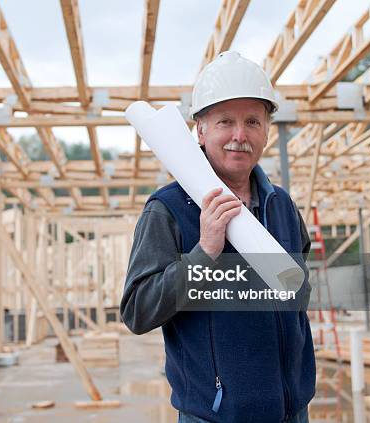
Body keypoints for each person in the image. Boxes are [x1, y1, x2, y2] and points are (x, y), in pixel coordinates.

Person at [120, 51, 315, 422]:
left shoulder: (281, 205)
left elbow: (298, 286)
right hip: (215, 416)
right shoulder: (169, 209)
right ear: (201, 128)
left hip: (293, 411)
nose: (240, 136)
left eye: (252, 122)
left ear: (267, 131)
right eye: (226, 121)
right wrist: (204, 253)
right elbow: (137, 311)